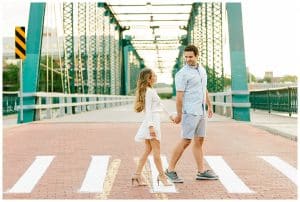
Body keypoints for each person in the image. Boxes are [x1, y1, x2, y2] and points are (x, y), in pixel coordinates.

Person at [165, 45, 219, 183]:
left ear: (197, 56)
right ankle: (169, 170)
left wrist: (209, 105)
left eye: (191, 57)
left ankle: (201, 171)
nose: (188, 59)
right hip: (190, 111)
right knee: (186, 140)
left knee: (199, 140)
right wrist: (179, 115)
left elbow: (203, 88)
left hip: (201, 111)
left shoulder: (201, 70)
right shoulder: (182, 74)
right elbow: (179, 97)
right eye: (186, 57)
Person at [132, 68, 173, 186]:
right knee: (156, 151)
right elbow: (148, 110)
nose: (156, 77)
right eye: (154, 75)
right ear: (149, 79)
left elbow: (159, 105)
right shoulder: (149, 91)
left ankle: (136, 176)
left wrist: (170, 115)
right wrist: (151, 127)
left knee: (148, 150)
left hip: (152, 121)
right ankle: (162, 176)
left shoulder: (150, 90)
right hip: (152, 123)